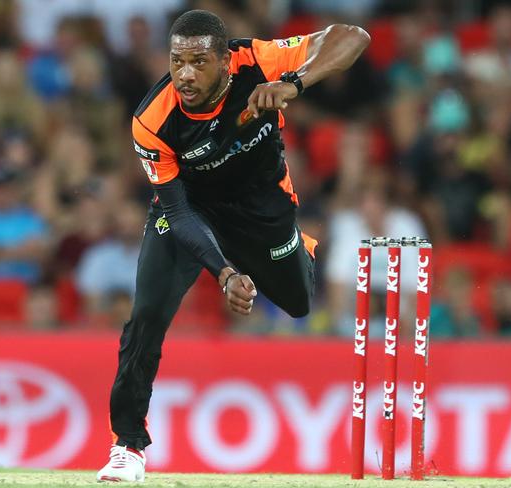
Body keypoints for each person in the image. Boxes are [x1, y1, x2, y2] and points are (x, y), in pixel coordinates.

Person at [97, 9, 370, 482]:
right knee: (147, 315)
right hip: (189, 209)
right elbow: (178, 212)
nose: (185, 74)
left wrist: (294, 84)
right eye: (177, 60)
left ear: (226, 61)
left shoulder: (258, 60)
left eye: (199, 61)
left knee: (299, 304)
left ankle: (296, 246)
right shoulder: (151, 120)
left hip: (260, 206)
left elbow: (354, 36)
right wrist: (224, 271)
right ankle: (127, 446)